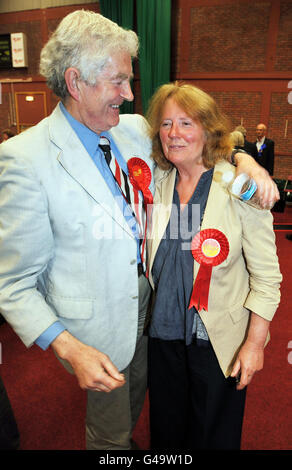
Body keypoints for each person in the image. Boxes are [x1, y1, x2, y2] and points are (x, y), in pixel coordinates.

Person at [0, 10, 280, 451]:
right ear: (76, 82)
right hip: (98, 329)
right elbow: (12, 284)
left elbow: (202, 136)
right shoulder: (24, 158)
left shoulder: (130, 130)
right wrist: (70, 349)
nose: (130, 96)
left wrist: (243, 161)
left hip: (157, 311)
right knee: (111, 436)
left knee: (164, 412)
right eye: (118, 82)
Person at [146, 82, 282, 450]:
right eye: (166, 124)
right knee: (167, 433)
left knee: (212, 436)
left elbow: (268, 278)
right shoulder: (158, 182)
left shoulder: (240, 184)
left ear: (208, 129)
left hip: (218, 340)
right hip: (164, 335)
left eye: (186, 123)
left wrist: (255, 344)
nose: (174, 134)